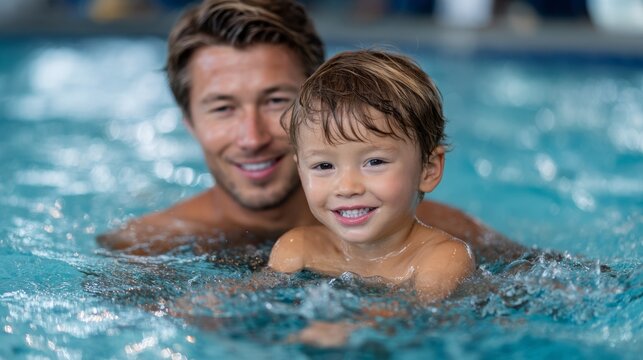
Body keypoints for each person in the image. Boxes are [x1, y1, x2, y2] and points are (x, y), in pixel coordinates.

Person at [97, 0, 526, 263]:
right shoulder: (145, 248)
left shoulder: (441, 236)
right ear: (190, 123)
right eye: (223, 108)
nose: (252, 137)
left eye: (276, 102)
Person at [268, 49, 475, 300]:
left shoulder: (442, 258)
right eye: (324, 166)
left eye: (374, 162)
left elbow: (412, 324)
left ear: (428, 169)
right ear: (300, 170)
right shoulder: (297, 248)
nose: (347, 187)